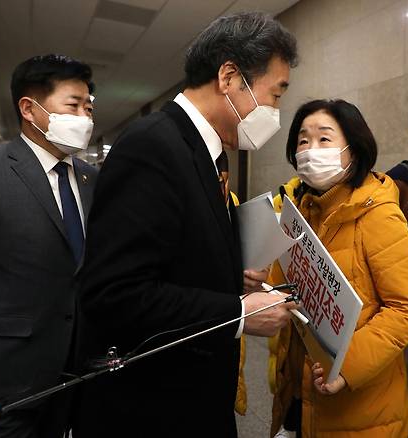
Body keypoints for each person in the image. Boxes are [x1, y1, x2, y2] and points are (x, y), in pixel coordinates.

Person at [72, 12, 299, 437]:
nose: (275, 111)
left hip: (195, 395)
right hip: (152, 408)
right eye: (274, 94)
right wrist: (237, 314)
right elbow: (114, 293)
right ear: (229, 78)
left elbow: (173, 258)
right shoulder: (152, 147)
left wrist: (232, 278)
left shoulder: (207, 153)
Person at [268, 99, 408, 438]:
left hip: (364, 408)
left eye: (324, 139)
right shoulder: (302, 208)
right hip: (301, 390)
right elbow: (289, 283)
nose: (311, 150)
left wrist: (345, 366)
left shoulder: (377, 214)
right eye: (303, 140)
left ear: (353, 150)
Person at [0, 54, 98, 438]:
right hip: (3, 383)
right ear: (29, 109)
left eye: (89, 107)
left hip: (74, 376)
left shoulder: (91, 179)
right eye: (73, 105)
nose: (85, 117)